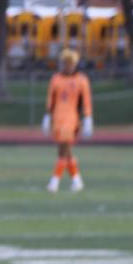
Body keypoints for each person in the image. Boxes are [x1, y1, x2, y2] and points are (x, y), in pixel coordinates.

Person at [41, 49, 93, 192]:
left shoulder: (81, 80)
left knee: (64, 150)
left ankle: (54, 181)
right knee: (64, 151)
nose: (68, 67)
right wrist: (47, 116)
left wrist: (88, 117)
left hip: (71, 119)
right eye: (65, 63)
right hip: (58, 118)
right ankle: (77, 180)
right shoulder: (56, 79)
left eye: (71, 64)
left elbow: (86, 101)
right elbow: (51, 99)